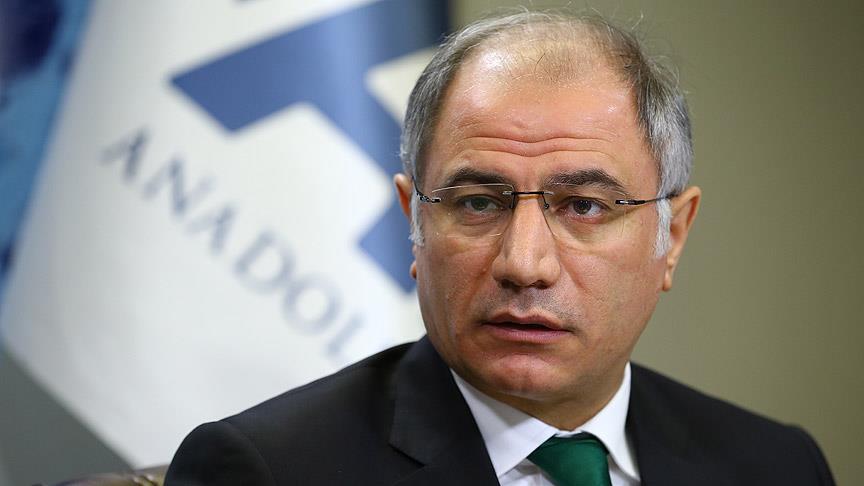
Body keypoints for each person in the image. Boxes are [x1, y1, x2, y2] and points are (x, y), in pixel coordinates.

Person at [164, 11, 835, 486]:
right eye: (479, 203)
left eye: (584, 206)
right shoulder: (266, 470)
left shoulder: (777, 466)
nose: (524, 265)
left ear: (673, 236)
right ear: (413, 223)